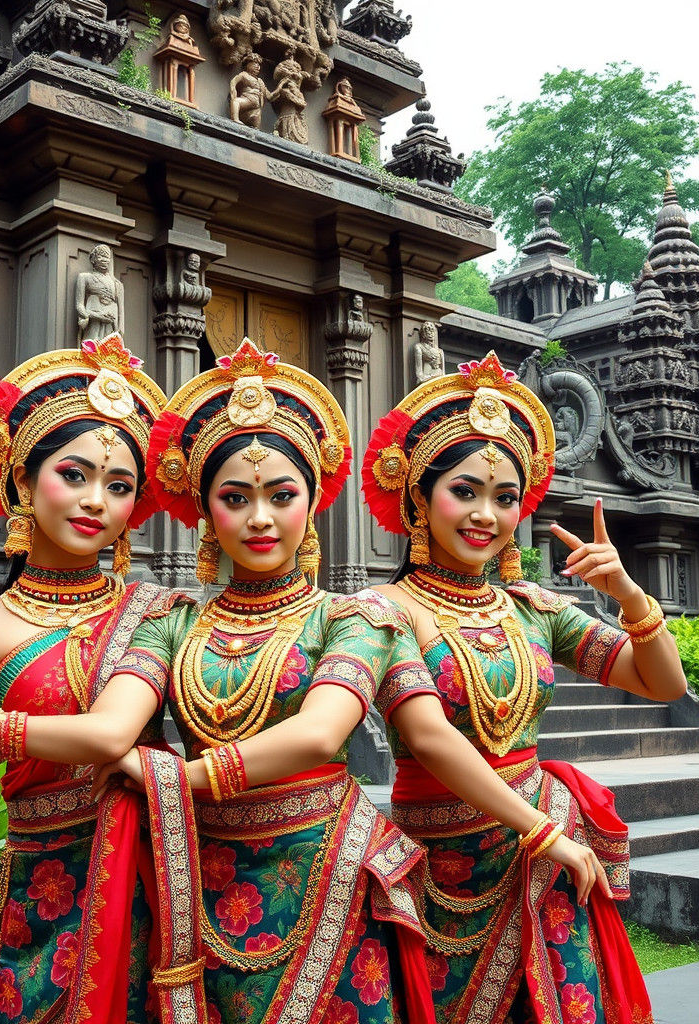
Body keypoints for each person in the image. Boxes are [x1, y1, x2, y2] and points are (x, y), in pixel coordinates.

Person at [94, 340, 605, 1023]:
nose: (260, 518)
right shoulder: (172, 618)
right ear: (206, 511)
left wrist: (171, 777)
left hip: (329, 876)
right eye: (235, 497)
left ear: (311, 503)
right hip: (200, 877)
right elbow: (110, 728)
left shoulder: (357, 617)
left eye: (282, 495)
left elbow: (330, 733)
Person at [361, 350, 686, 1023]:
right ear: (419, 497)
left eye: (505, 498)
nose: (486, 514)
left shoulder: (530, 607)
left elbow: (661, 683)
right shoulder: (386, 611)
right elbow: (430, 736)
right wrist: (543, 832)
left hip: (544, 853)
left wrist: (627, 593)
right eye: (465, 491)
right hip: (446, 861)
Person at [0, 334, 182, 1023]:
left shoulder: (155, 613)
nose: (96, 500)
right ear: (21, 480)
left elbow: (111, 735)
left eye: (120, 486)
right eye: (75, 474)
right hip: (37, 889)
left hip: (146, 880)